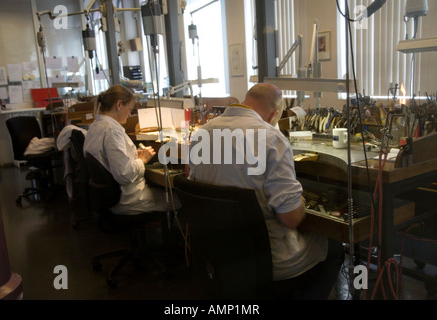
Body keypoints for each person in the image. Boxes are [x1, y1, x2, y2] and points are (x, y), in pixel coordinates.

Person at [187, 82, 344, 299]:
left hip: (221, 258)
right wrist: (300, 200)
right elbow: (290, 218)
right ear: (273, 116)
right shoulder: (271, 138)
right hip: (270, 262)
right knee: (334, 246)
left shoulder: (201, 135)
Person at [84, 85, 178, 215]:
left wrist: (133, 155)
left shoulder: (96, 126)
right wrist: (142, 159)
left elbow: (109, 160)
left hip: (110, 198)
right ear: (119, 104)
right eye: (129, 109)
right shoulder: (112, 131)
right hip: (129, 199)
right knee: (180, 198)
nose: (129, 114)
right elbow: (124, 175)